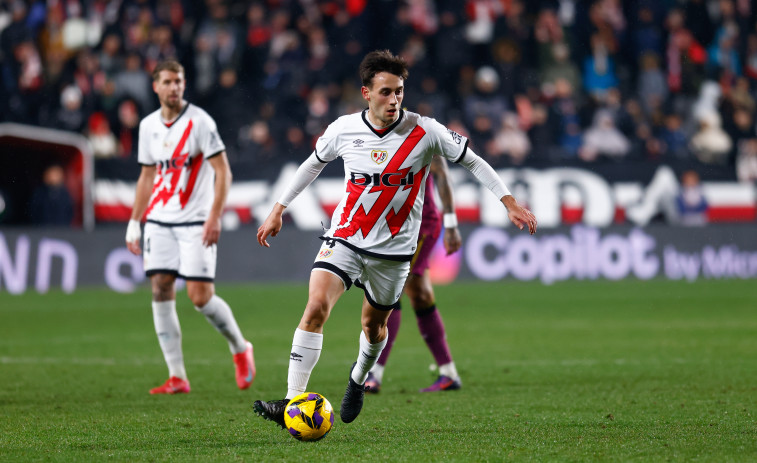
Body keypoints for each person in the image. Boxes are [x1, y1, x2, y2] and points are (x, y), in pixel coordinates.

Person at [253, 50, 536, 427]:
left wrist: (509, 203)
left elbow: (472, 159)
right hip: (346, 238)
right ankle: (290, 403)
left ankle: (358, 379)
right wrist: (279, 207)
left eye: (399, 91)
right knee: (316, 306)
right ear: (366, 93)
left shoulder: (425, 131)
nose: (394, 99)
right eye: (385, 92)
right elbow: (313, 163)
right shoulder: (343, 129)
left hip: (394, 252)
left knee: (374, 328)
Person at [125, 60, 255, 395]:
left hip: (196, 220)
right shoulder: (148, 126)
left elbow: (223, 172)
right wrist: (134, 221)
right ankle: (177, 375)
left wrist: (214, 215)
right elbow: (147, 176)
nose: (174, 88)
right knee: (161, 288)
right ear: (156, 87)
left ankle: (240, 347)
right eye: (167, 82)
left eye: (179, 81)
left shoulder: (200, 122)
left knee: (200, 297)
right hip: (158, 221)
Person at [364, 155, 463, 394]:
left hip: (420, 226)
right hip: (392, 226)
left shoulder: (423, 134)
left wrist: (450, 224)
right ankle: (448, 373)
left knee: (390, 294)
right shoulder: (372, 135)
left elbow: (441, 174)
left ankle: (374, 373)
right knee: (420, 295)